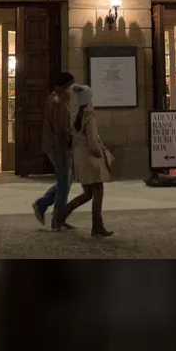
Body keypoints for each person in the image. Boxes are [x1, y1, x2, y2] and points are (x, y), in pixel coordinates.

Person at [62, 84, 115, 238]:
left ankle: (61, 215)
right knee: (98, 190)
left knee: (88, 193)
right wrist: (100, 153)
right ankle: (97, 226)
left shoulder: (75, 115)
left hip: (80, 156)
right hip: (91, 158)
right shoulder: (89, 116)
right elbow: (92, 141)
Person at [32, 70, 76, 228]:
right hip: (59, 148)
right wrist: (66, 149)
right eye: (72, 86)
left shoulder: (56, 99)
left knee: (66, 180)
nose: (73, 90)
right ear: (67, 86)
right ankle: (58, 218)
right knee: (65, 182)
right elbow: (61, 130)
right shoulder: (59, 102)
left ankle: (43, 204)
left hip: (56, 146)